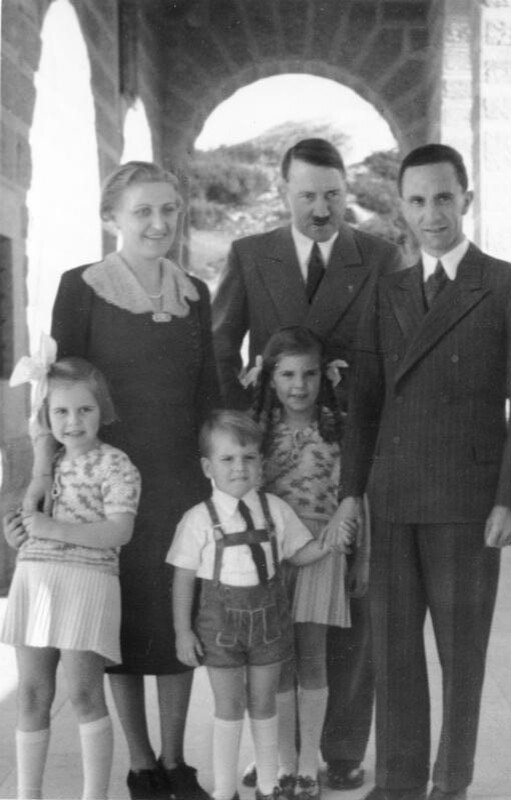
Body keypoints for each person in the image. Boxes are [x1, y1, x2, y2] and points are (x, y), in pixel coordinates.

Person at [18, 161, 220, 800]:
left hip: (181, 482)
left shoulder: (196, 293)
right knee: (122, 619)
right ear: (113, 218)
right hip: (105, 486)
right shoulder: (82, 286)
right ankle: (140, 765)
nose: (159, 223)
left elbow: (209, 393)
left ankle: (176, 759)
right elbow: (61, 387)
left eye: (169, 210)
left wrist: (220, 479)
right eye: (142, 212)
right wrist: (43, 474)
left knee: (178, 611)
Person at [339, 144, 511, 800]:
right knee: (393, 655)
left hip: (467, 502)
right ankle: (396, 784)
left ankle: (450, 782)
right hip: (391, 500)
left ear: (466, 200)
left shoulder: (508, 285)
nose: (432, 214)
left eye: (444, 198)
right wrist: (349, 495)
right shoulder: (386, 288)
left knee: (461, 658)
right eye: (417, 201)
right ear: (401, 208)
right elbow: (364, 399)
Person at [213, 137, 404, 790]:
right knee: (270, 616)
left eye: (332, 194)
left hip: (353, 453)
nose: (321, 209)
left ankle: (341, 751)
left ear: (345, 190)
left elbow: (399, 350)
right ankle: (277, 750)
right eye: (306, 196)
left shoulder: (378, 256)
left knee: (348, 611)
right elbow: (220, 348)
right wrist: (239, 425)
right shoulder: (249, 255)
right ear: (283, 192)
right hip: (274, 459)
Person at [166, 410, 352, 800]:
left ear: (261, 464)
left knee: (265, 702)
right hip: (220, 628)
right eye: (228, 459)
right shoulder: (198, 520)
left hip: (270, 625)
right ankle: (223, 789)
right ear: (207, 466)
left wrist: (328, 542)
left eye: (249, 458)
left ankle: (270, 784)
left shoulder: (275, 510)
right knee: (229, 706)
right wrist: (182, 630)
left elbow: (299, 554)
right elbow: (183, 577)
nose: (239, 468)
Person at [1, 353, 141, 800]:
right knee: (31, 694)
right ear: (45, 415)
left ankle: (94, 795)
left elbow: (120, 530)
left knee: (83, 693)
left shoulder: (115, 464)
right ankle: (27, 794)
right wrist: (17, 532)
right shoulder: (43, 463)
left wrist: (53, 529)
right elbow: (26, 521)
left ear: (103, 410)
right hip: (37, 580)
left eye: (86, 409)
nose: (74, 421)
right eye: (60, 411)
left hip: (86, 583)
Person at [249, 326, 369, 800]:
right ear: (270, 377)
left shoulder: (338, 430)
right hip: (271, 555)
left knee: (313, 658)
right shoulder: (258, 430)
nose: (298, 385)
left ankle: (307, 763)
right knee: (276, 661)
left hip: (322, 550)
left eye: (309, 374)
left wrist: (362, 560)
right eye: (287, 374)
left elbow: (357, 498)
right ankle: (279, 761)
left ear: (325, 376)